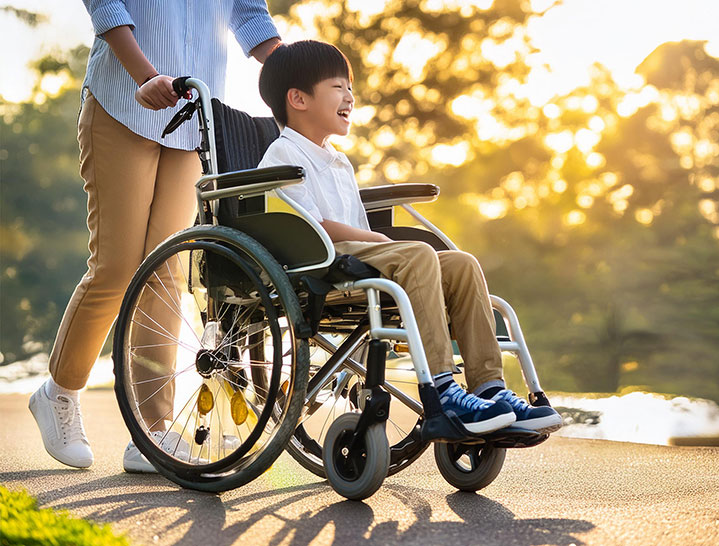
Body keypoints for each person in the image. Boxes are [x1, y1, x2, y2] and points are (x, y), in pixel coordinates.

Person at [257, 40, 563, 435]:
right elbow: (314, 226)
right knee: (418, 254)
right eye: (338, 87)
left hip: (354, 255)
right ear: (298, 99)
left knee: (461, 264)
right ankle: (442, 389)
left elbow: (354, 224)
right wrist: (377, 240)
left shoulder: (338, 161)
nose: (350, 96)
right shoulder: (283, 157)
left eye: (350, 88)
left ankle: (489, 388)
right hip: (318, 258)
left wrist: (375, 241)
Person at [29, 0, 281, 473]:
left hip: (192, 119)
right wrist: (144, 75)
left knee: (166, 274)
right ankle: (58, 393)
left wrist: (295, 72)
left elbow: (249, 13)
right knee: (118, 266)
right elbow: (105, 4)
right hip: (123, 102)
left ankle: (153, 428)